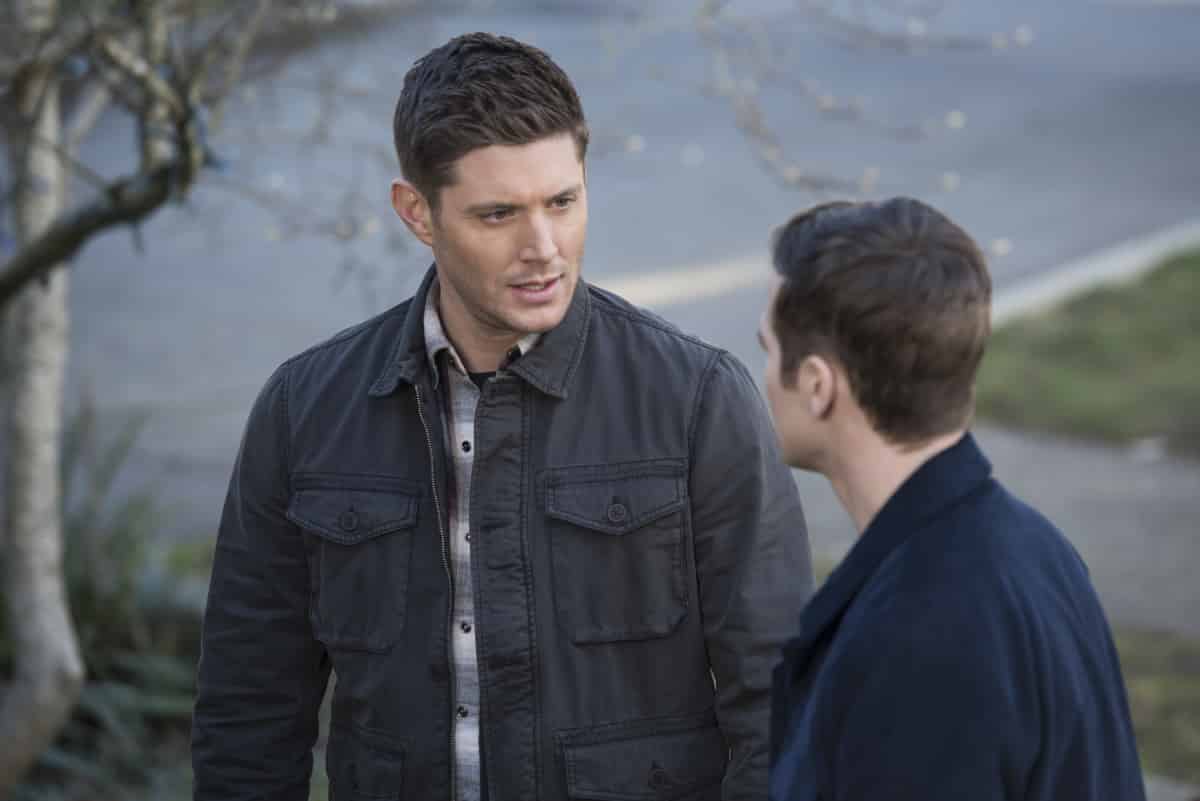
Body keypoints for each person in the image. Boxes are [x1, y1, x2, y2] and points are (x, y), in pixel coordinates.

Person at [192, 32, 814, 801]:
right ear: (417, 213)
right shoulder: (303, 410)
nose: (543, 247)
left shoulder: (698, 400)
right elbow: (247, 714)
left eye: (563, 201)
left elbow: (780, 708)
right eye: (498, 215)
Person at [760, 197, 1145, 801]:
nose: (763, 378)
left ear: (816, 385)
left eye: (768, 350)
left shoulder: (916, 634)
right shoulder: (1035, 548)